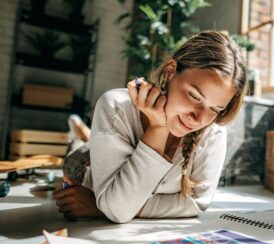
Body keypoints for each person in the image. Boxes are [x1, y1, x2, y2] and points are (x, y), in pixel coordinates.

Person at [53, 31, 248, 223]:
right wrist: (159, 128)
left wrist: (101, 206)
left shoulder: (214, 130)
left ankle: (83, 132)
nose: (199, 118)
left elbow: (197, 202)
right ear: (170, 71)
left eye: (215, 109)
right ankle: (80, 135)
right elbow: (118, 209)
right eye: (195, 96)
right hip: (83, 165)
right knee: (79, 149)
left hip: (109, 169)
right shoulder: (115, 105)